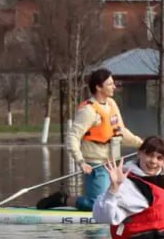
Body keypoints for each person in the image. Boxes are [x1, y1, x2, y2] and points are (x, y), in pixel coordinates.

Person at [38, 69, 143, 210]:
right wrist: (80, 161)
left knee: (116, 197)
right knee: (95, 204)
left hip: (112, 163)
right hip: (95, 165)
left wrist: (143, 144)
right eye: (110, 84)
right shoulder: (88, 111)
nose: (114, 87)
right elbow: (72, 137)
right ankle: (63, 199)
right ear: (99, 87)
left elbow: (121, 131)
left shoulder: (111, 104)